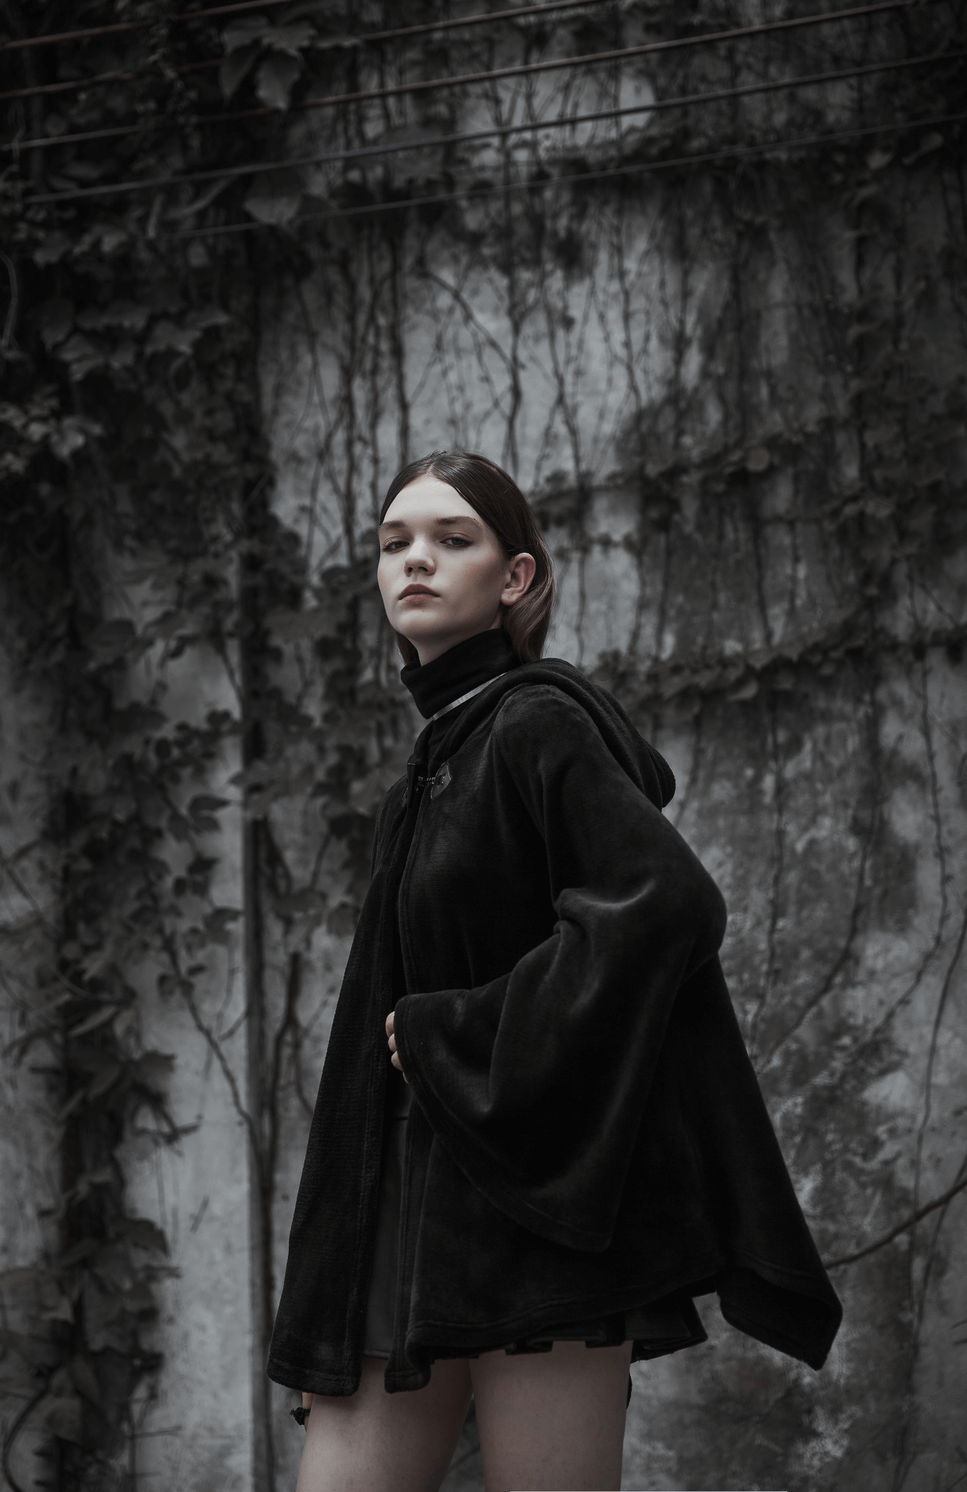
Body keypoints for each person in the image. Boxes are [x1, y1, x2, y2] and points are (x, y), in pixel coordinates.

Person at [267, 451, 842, 1492]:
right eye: (395, 543)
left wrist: (465, 1030)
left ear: (516, 578)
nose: (416, 563)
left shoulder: (534, 722)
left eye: (452, 539)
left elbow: (663, 903)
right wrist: (333, 1290)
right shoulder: (436, 759)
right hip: (405, 1212)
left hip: (530, 1214)